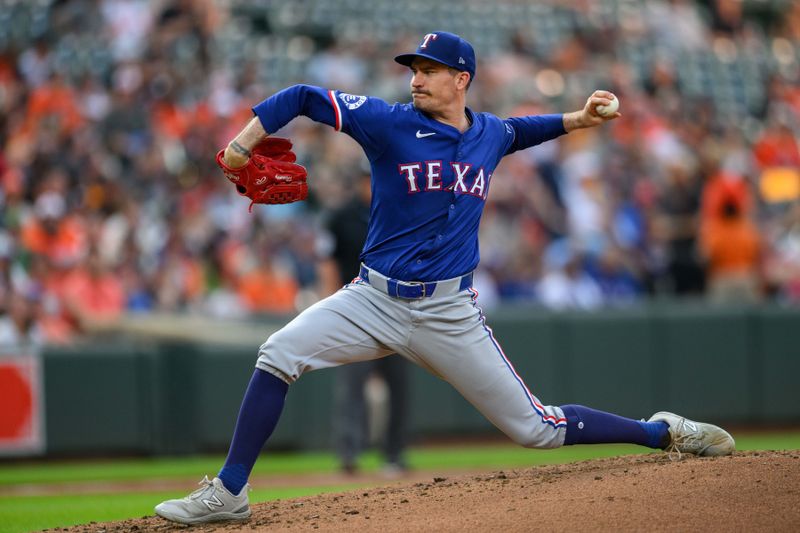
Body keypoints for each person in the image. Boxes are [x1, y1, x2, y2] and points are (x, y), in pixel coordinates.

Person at [155, 31, 735, 525]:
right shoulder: (387, 123)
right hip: (372, 298)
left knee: (535, 429)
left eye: (430, 70)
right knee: (278, 352)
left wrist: (577, 120)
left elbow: (519, 130)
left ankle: (661, 432)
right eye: (413, 69)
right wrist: (242, 143)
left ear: (463, 79)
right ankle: (230, 493)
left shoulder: (489, 133)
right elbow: (304, 96)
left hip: (448, 312)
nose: (416, 79)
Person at [318, 171, 410, 475]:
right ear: (359, 183)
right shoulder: (341, 217)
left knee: (398, 385)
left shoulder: (399, 211)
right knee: (352, 388)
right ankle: (349, 455)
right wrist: (330, 308)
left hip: (394, 310)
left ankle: (394, 455)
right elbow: (328, 262)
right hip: (355, 313)